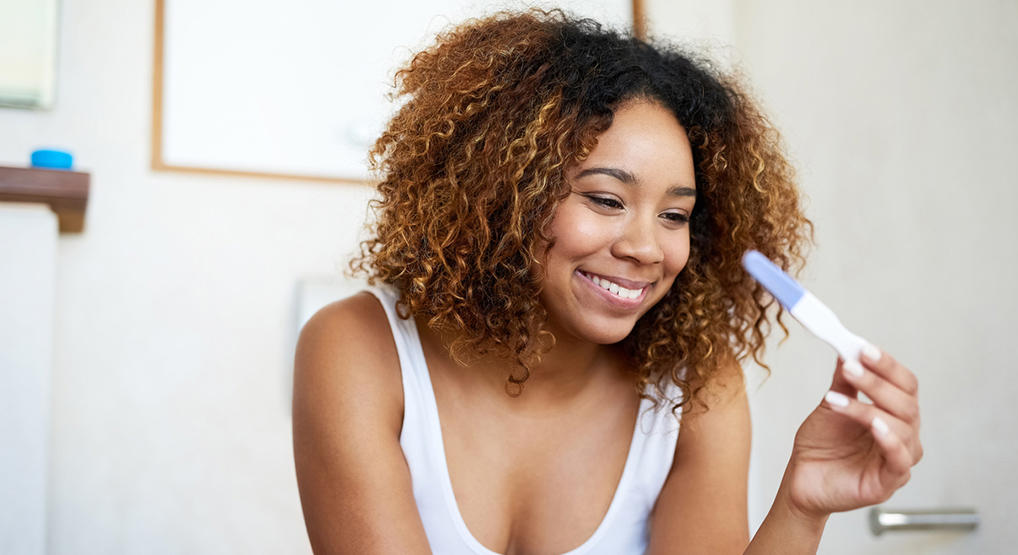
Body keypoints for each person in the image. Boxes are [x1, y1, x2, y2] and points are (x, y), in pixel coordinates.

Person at [292, 9, 922, 554]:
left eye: (674, 215)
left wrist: (802, 504)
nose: (647, 247)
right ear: (500, 197)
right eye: (605, 199)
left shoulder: (695, 384)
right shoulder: (359, 350)